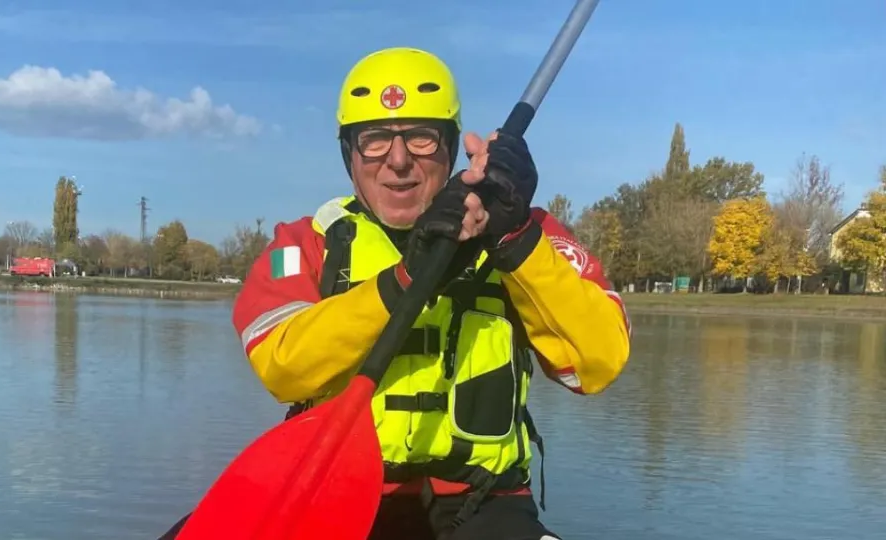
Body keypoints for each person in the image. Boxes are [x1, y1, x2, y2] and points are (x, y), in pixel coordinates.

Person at [160, 46, 631, 540]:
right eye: (375, 140)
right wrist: (406, 277)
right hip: (332, 496)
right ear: (349, 153)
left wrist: (516, 242)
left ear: (450, 147)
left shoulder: (521, 231)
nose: (399, 160)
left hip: (484, 505)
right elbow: (283, 369)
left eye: (422, 138)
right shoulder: (306, 243)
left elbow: (597, 365)